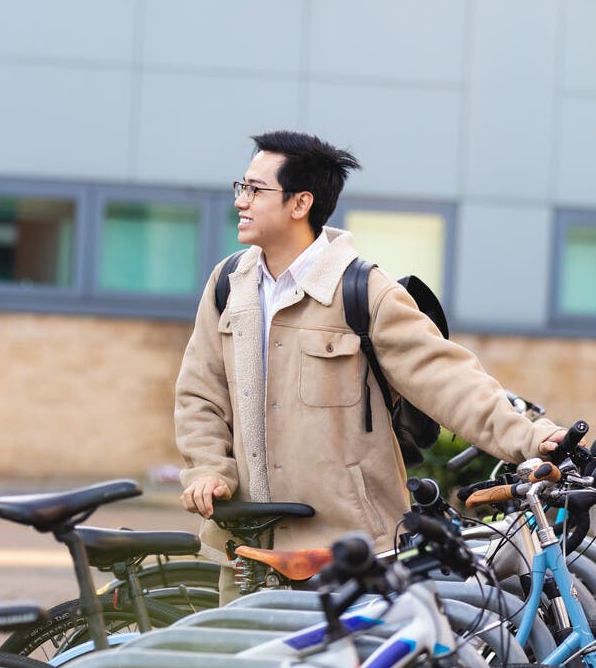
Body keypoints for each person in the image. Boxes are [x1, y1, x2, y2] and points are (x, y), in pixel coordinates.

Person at [175, 131, 567, 596]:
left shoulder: (365, 292)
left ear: (301, 203)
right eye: (241, 187)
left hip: (348, 552)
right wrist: (206, 469)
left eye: (256, 190)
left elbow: (447, 377)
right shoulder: (228, 285)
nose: (242, 201)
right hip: (246, 551)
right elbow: (201, 392)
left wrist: (534, 438)